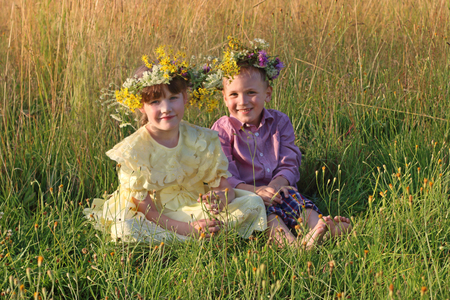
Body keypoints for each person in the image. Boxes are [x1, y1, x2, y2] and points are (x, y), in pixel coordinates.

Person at [84, 46, 267, 243]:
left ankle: (197, 234)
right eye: (155, 102)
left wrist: (220, 199)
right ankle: (192, 238)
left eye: (173, 98)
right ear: (141, 106)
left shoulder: (202, 139)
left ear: (185, 97)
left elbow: (224, 187)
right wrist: (189, 229)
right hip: (158, 218)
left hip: (196, 208)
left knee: (253, 202)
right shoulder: (134, 150)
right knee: (125, 228)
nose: (166, 108)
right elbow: (148, 211)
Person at [209, 37, 351, 248]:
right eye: (234, 94)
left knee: (298, 202)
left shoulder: (279, 121)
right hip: (246, 196)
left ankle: (319, 228)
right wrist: (256, 191)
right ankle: (294, 246)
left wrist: (277, 185)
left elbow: (290, 162)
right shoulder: (222, 130)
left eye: (251, 93)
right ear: (224, 98)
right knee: (267, 216)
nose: (243, 101)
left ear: (267, 94)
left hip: (279, 189)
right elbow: (224, 174)